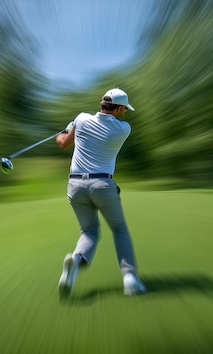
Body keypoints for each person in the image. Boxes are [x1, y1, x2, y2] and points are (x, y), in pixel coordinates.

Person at [55, 88, 146, 298]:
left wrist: (67, 129)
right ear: (120, 108)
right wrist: (73, 127)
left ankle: (76, 260)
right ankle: (130, 279)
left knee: (89, 232)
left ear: (102, 104)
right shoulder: (124, 128)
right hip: (102, 185)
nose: (125, 113)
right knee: (119, 229)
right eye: (124, 109)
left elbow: (62, 143)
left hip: (75, 186)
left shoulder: (81, 119)